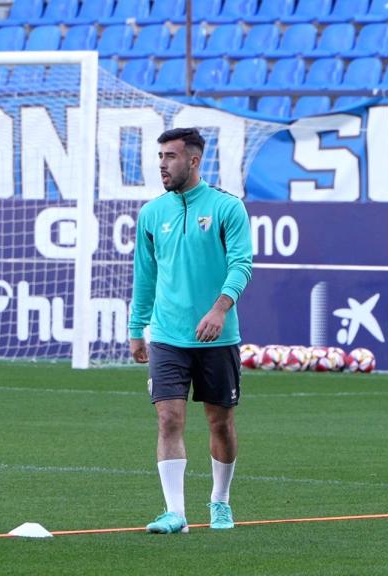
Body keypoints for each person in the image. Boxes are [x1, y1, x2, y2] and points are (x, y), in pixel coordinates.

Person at [128, 128, 253, 534]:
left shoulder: (227, 208)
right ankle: (175, 513)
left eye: (170, 156)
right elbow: (144, 276)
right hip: (167, 335)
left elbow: (241, 265)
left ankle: (220, 501)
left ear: (194, 160)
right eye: (160, 156)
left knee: (220, 423)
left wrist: (220, 308)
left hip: (217, 336)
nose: (162, 164)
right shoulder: (151, 213)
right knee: (168, 419)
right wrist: (136, 328)